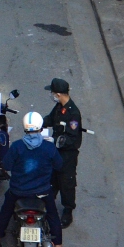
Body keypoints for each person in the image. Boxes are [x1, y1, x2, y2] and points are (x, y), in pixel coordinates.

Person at [0, 110, 71, 247]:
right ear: (41, 128)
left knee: (5, 211)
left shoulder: (17, 146)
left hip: (18, 191)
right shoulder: (49, 147)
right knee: (52, 215)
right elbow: (59, 165)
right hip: (42, 191)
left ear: (25, 128)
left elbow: (7, 165)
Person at [41, 78, 82, 229]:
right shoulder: (59, 107)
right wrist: (38, 123)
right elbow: (51, 119)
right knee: (52, 177)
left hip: (68, 155)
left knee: (67, 182)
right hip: (56, 151)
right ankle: (48, 201)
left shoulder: (73, 114)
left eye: (52, 93)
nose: (51, 95)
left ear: (58, 94)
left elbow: (72, 138)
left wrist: (55, 139)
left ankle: (68, 210)